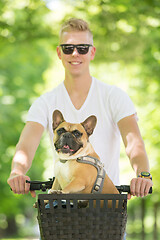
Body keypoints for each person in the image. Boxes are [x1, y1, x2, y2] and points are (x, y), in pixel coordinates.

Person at [7, 18, 153, 201]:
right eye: (68, 48)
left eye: (82, 48)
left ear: (92, 52)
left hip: (105, 206)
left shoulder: (114, 96)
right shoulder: (44, 102)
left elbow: (134, 144)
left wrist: (143, 175)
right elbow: (26, 146)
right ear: (59, 53)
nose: (75, 53)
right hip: (62, 208)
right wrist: (17, 172)